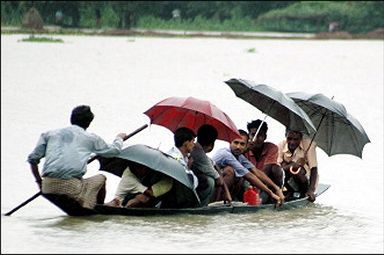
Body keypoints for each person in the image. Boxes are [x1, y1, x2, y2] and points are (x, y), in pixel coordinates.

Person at [27, 105, 128, 209]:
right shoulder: (90, 138)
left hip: (47, 186)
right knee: (101, 178)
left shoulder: (49, 134)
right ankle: (98, 208)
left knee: (80, 181)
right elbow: (113, 151)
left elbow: (32, 160)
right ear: (89, 123)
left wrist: (39, 182)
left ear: (71, 119)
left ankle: (92, 205)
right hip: (70, 188)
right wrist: (119, 138)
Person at [212, 130, 284, 206]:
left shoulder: (239, 156)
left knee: (239, 177)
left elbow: (255, 171)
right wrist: (271, 193)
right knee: (230, 171)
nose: (238, 147)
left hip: (219, 183)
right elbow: (249, 175)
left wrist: (276, 188)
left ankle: (229, 202)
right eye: (236, 143)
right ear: (230, 142)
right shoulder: (226, 154)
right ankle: (216, 203)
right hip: (209, 182)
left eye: (242, 144)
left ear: (246, 145)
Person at [104, 160, 174, 208]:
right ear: (137, 168)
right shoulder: (130, 180)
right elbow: (151, 193)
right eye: (143, 168)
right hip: (120, 203)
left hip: (129, 195)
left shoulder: (131, 170)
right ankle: (126, 208)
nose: (146, 170)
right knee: (141, 197)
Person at [162, 127, 201, 208]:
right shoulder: (175, 157)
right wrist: (188, 168)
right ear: (186, 143)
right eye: (193, 141)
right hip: (171, 194)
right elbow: (191, 182)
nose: (194, 145)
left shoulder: (184, 157)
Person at [277, 129, 319, 202]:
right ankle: (286, 191)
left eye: (296, 139)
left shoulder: (309, 145)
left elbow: (314, 168)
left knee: (297, 171)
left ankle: (303, 191)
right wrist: (291, 165)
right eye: (289, 138)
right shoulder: (281, 145)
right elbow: (277, 168)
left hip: (305, 177)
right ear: (285, 136)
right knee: (283, 167)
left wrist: (311, 190)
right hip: (286, 176)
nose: (292, 142)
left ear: (301, 138)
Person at [189, 124, 224, 206]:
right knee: (210, 181)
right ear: (211, 144)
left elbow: (212, 163)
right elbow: (219, 180)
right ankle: (201, 207)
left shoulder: (197, 149)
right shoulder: (199, 152)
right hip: (189, 183)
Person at [244, 120, 284, 189]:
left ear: (265, 137)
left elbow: (266, 170)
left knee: (276, 169)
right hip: (248, 180)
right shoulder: (244, 148)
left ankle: (278, 191)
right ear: (248, 136)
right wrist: (245, 150)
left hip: (266, 181)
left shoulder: (271, 147)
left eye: (260, 135)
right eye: (253, 134)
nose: (256, 139)